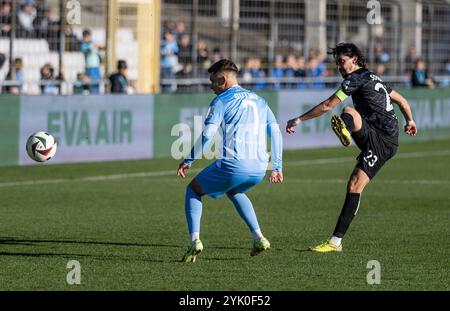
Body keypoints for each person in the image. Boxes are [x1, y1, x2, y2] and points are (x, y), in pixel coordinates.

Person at [286, 43, 417, 252]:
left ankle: (335, 242)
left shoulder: (355, 79)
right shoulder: (373, 77)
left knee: (355, 184)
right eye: (337, 62)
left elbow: (329, 105)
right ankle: (346, 130)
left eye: (342, 61)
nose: (339, 66)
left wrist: (299, 119)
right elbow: (401, 100)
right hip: (374, 133)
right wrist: (410, 121)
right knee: (350, 112)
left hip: (383, 142)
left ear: (354, 59)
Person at [177, 59, 283, 263]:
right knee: (234, 190)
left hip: (234, 164)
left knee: (193, 190)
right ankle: (258, 237)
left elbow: (208, 133)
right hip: (260, 169)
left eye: (213, 81)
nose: (211, 86)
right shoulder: (260, 100)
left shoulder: (222, 100)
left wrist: (189, 159)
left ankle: (194, 241)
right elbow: (276, 133)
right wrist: (277, 166)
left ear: (223, 79)